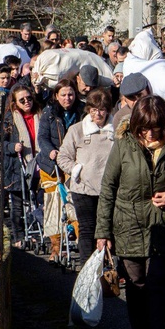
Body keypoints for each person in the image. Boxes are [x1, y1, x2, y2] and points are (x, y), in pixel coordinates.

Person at [96, 95, 165, 329]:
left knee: (160, 285)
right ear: (136, 125)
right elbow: (108, 189)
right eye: (144, 128)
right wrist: (102, 232)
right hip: (129, 226)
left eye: (156, 128)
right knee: (137, 287)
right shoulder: (123, 145)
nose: (150, 134)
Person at [57, 88, 115, 265]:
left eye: (102, 109)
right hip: (83, 188)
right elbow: (63, 156)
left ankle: (111, 269)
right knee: (87, 230)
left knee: (110, 230)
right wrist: (77, 170)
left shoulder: (116, 131)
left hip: (110, 188)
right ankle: (85, 270)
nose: (98, 113)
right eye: (94, 109)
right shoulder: (77, 130)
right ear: (88, 109)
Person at [38, 79, 84, 264]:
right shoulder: (49, 113)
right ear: (56, 96)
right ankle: (55, 247)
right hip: (52, 165)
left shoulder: (81, 111)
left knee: (74, 202)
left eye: (71, 94)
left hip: (73, 162)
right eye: (63, 95)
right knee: (53, 206)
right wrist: (50, 151)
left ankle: (80, 244)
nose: (67, 98)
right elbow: (42, 137)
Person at [2, 84, 41, 249]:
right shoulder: (10, 119)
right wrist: (12, 147)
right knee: (17, 205)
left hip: (37, 164)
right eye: (22, 100)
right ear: (15, 102)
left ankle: (33, 233)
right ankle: (19, 236)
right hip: (17, 166)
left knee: (34, 202)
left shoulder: (39, 115)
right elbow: (1, 143)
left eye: (29, 98)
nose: (27, 102)